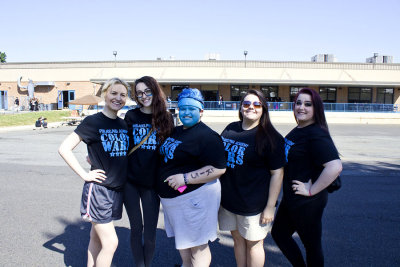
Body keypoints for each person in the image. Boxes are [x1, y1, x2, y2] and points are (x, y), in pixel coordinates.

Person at [58, 77, 130, 267]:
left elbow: (117, 155)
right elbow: (64, 148)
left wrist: (95, 157)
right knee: (111, 243)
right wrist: (84, 174)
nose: (118, 98)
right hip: (99, 190)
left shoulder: (123, 125)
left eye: (123, 95)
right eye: (114, 93)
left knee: (96, 238)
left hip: (117, 191)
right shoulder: (93, 121)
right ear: (105, 94)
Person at [271, 88, 343, 267]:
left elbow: (335, 166)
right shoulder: (300, 129)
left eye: (308, 104)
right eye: (298, 103)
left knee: (312, 246)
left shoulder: (315, 133)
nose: (301, 107)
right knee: (279, 234)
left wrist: (311, 190)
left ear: (316, 108)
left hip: (307, 203)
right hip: (292, 199)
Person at [157, 88, 227, 267]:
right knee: (184, 243)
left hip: (195, 199)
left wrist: (185, 178)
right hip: (176, 201)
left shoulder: (208, 136)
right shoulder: (177, 130)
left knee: (198, 246)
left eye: (191, 109)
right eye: (183, 108)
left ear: (201, 111)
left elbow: (219, 168)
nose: (186, 112)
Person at [218, 89, 286, 267]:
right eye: (246, 104)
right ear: (240, 108)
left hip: (254, 205)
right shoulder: (231, 128)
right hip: (229, 201)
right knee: (238, 240)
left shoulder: (271, 138)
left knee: (254, 245)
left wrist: (270, 207)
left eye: (257, 104)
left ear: (263, 109)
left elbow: (277, 173)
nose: (251, 108)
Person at [123, 76, 174, 267]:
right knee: (136, 228)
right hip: (130, 181)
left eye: (147, 91)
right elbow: (120, 146)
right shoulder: (131, 116)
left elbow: (172, 150)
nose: (143, 96)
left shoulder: (166, 118)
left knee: (150, 232)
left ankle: (148, 264)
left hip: (153, 184)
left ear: (155, 91)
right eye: (139, 93)